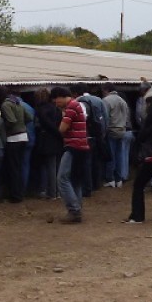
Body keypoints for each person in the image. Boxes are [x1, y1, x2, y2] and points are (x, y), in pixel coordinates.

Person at [52, 86, 89, 224]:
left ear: (61, 96)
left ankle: (74, 210)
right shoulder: (76, 105)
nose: (56, 104)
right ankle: (77, 209)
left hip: (73, 146)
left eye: (56, 100)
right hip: (82, 146)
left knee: (62, 178)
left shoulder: (71, 107)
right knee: (75, 180)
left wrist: (62, 118)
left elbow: (62, 128)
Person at [33, 87, 63, 199]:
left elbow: (45, 125)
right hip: (57, 140)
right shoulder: (57, 109)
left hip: (46, 140)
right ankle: (58, 191)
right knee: (57, 166)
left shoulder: (41, 110)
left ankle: (52, 192)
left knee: (49, 167)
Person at [0, 89, 29, 203]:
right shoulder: (18, 103)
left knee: (13, 168)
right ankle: (21, 193)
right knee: (20, 166)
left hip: (13, 138)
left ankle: (15, 196)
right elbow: (29, 117)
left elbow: (11, 120)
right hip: (24, 137)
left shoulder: (6, 105)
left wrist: (4, 128)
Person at [102, 84, 130, 187]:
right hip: (122, 130)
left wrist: (103, 131)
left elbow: (105, 117)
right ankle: (119, 179)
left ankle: (111, 179)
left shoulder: (106, 100)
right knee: (119, 156)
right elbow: (127, 116)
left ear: (106, 90)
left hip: (111, 131)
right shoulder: (122, 100)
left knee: (111, 156)